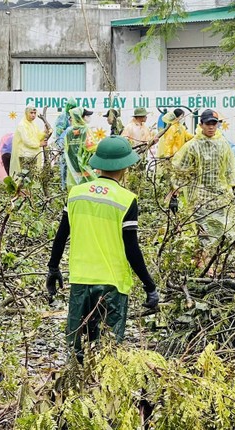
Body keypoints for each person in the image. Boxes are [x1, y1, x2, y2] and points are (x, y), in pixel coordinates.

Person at [46, 135, 159, 363]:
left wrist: (53, 268)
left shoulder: (76, 193)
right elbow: (131, 249)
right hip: (112, 284)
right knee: (106, 350)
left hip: (80, 279)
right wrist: (149, 285)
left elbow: (61, 235)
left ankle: (75, 391)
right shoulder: (126, 199)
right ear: (125, 166)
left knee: (77, 348)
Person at [172, 109, 235, 257]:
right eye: (208, 124)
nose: (211, 127)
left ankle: (216, 262)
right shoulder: (192, 146)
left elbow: (229, 169)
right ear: (201, 125)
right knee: (204, 234)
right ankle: (205, 264)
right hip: (199, 197)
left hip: (220, 196)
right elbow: (180, 171)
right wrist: (174, 193)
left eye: (214, 124)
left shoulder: (223, 144)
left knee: (224, 230)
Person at [9, 104, 48, 178]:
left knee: (33, 178)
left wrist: (44, 133)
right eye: (31, 113)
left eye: (34, 113)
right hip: (25, 155)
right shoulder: (22, 125)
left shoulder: (33, 124)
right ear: (26, 113)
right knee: (25, 179)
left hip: (33, 155)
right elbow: (26, 140)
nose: (33, 115)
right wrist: (39, 144)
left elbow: (37, 136)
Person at [64, 107, 97, 189]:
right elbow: (91, 147)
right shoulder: (85, 130)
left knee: (76, 188)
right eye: (87, 116)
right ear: (80, 117)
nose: (89, 118)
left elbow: (67, 149)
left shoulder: (69, 132)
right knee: (87, 188)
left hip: (73, 166)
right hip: (85, 165)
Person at [54, 97, 78, 189]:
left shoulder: (74, 115)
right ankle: (64, 187)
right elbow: (59, 132)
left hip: (71, 144)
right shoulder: (63, 116)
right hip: (63, 143)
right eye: (71, 107)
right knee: (64, 164)